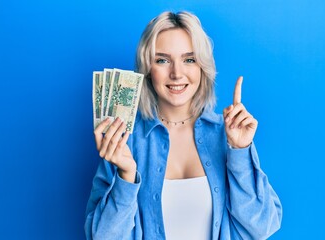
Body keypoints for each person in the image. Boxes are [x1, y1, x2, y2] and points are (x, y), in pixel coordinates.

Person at [85, 11, 282, 240]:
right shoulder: (124, 140)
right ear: (148, 70)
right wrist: (126, 176)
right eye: (162, 60)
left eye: (189, 59)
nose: (177, 73)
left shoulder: (228, 134)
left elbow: (262, 227)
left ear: (202, 67)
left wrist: (240, 153)